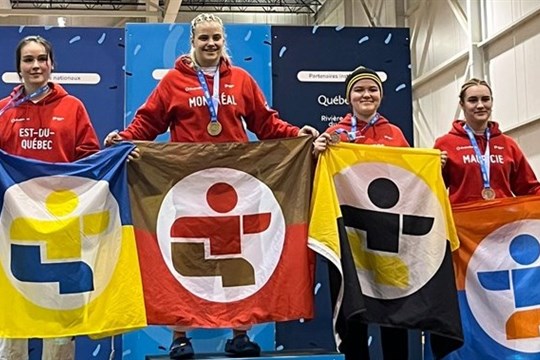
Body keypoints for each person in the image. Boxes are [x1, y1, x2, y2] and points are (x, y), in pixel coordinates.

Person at [103, 13, 318, 359]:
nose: (211, 44)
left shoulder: (242, 80)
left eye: (216, 38)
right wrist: (125, 140)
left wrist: (296, 135)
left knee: (238, 257)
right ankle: (179, 336)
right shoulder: (174, 81)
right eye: (204, 38)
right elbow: (149, 121)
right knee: (185, 257)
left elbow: (266, 123)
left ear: (224, 40)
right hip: (186, 188)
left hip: (235, 186)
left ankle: (240, 333)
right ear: (192, 41)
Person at [0, 36, 101, 360]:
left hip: (60, 227)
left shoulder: (72, 107)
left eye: (42, 59)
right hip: (14, 229)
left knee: (58, 318)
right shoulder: (3, 111)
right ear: (18, 68)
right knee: (11, 316)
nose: (36, 66)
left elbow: (89, 158)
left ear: (52, 64)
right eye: (28, 60)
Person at [312, 66, 410, 360]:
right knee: (351, 307)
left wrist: (433, 163)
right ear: (348, 97)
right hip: (348, 235)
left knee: (394, 306)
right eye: (359, 90)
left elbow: (411, 177)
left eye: (372, 90)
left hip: (387, 235)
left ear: (380, 95)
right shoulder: (334, 136)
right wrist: (315, 154)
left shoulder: (394, 133)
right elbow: (319, 181)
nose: (366, 95)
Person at [434, 78, 540, 204]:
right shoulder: (445, 144)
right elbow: (431, 192)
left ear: (492, 102)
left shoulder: (508, 145)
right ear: (462, 104)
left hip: (505, 221)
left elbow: (529, 189)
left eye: (485, 99)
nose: (480, 105)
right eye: (472, 100)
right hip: (463, 221)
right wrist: (435, 171)